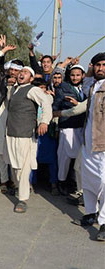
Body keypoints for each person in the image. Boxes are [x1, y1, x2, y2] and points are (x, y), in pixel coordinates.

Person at [5, 66, 53, 213]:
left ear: (31, 78)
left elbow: (46, 103)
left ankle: (23, 199)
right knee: (15, 166)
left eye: (25, 73)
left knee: (24, 168)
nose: (21, 74)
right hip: (12, 132)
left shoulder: (33, 89)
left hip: (25, 134)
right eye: (21, 72)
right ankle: (20, 188)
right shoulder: (14, 89)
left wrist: (44, 121)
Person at [0, 35, 23, 193]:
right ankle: (4, 181)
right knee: (2, 150)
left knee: (16, 151)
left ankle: (16, 183)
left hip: (18, 121)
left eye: (17, 71)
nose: (14, 73)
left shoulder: (25, 86)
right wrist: (3, 50)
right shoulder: (2, 79)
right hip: (2, 116)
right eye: (12, 70)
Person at [77, 52, 105, 241]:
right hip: (89, 141)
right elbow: (85, 81)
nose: (101, 68)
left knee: (104, 182)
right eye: (97, 65)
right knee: (88, 179)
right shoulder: (92, 86)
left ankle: (104, 222)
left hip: (103, 143)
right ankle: (91, 212)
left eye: (104, 65)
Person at [53, 64, 90, 195]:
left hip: (81, 127)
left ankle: (75, 183)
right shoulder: (63, 87)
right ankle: (61, 182)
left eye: (78, 75)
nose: (75, 77)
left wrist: (78, 104)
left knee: (79, 158)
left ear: (83, 76)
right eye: (73, 75)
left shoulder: (87, 89)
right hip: (67, 126)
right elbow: (56, 108)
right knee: (64, 157)